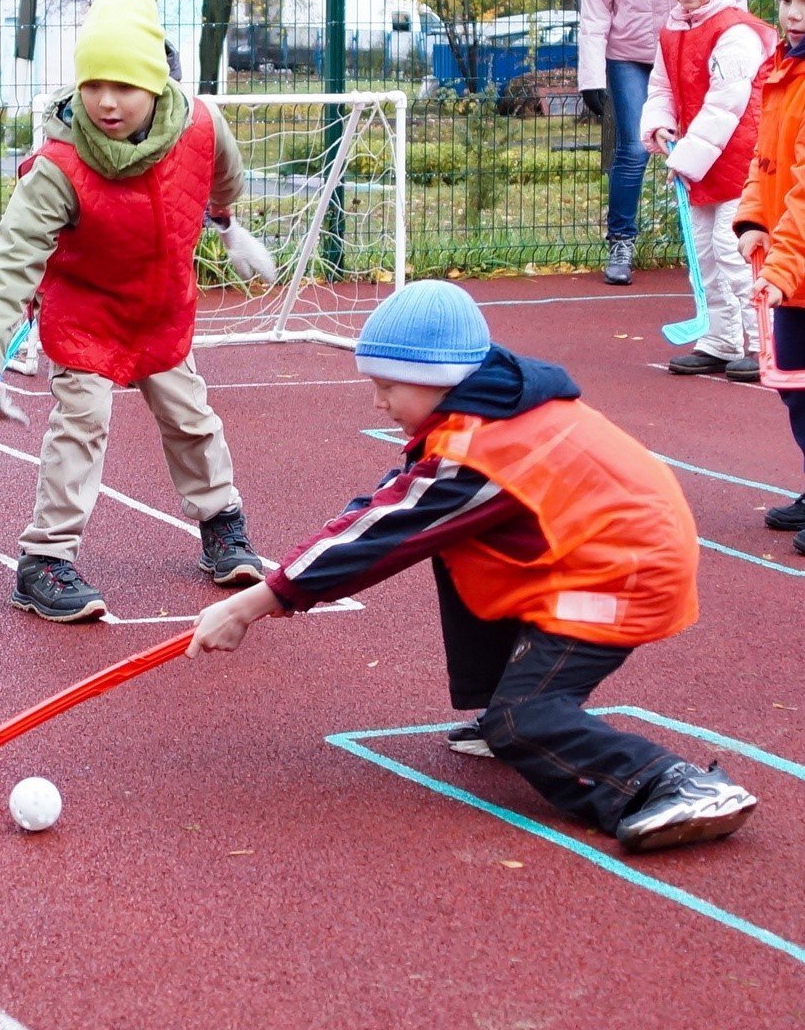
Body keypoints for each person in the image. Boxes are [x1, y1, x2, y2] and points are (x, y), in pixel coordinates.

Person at [187, 280, 757, 854]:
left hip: (620, 575)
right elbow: (392, 505)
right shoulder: (484, 406)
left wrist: (257, 600)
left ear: (439, 379)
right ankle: (504, 702)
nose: (378, 401)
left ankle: (667, 782)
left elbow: (382, 535)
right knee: (458, 554)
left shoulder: (485, 449)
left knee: (522, 724)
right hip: (587, 553)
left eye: (387, 386)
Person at [0, 0, 263, 624]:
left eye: (123, 85)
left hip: (159, 311)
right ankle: (43, 561)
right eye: (93, 83)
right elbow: (13, 258)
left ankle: (222, 526)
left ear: (157, 84)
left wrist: (227, 221)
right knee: (83, 423)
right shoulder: (58, 166)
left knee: (192, 418)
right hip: (87, 317)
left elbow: (226, 178)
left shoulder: (203, 128)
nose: (105, 101)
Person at [578, 0, 743, 286]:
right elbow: (594, 5)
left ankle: (710, 242)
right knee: (633, 147)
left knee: (704, 144)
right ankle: (621, 243)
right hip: (630, 55)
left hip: (689, 50)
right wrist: (591, 74)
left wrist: (737, 51)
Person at [640, 0, 775, 381]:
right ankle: (721, 338)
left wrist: (683, 159)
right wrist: (659, 124)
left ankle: (762, 340)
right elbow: (661, 86)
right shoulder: (672, 29)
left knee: (734, 249)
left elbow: (726, 105)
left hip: (742, 159)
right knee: (705, 254)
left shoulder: (736, 32)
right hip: (700, 162)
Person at [736, 0, 805, 551]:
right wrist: (752, 219)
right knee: (793, 384)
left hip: (798, 262)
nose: (794, 13)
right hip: (791, 264)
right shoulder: (781, 71)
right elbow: (766, 162)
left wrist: (781, 267)